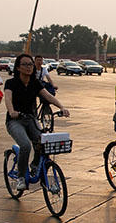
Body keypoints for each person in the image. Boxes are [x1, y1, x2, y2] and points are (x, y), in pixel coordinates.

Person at [4, 54, 70, 190]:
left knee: (44, 144)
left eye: (30, 65)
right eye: (25, 65)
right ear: (18, 67)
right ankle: (21, 177)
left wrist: (62, 107)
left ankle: (35, 167)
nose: (29, 67)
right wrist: (12, 111)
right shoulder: (11, 83)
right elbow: (8, 99)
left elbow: (48, 96)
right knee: (25, 145)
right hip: (15, 121)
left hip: (31, 119)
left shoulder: (35, 83)